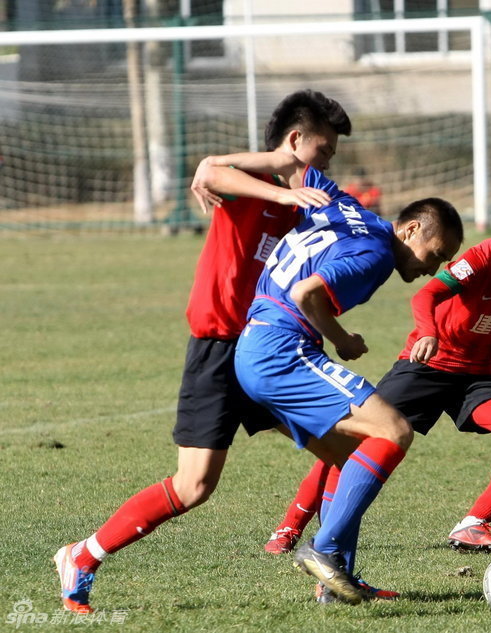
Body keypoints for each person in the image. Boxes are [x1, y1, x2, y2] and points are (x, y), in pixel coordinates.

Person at [53, 89, 353, 614]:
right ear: (295, 140)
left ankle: (332, 574)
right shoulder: (256, 187)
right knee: (193, 487)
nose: (326, 164)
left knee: (345, 452)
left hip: (267, 350)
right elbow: (211, 170)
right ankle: (83, 555)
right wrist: (283, 191)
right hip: (217, 349)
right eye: (322, 151)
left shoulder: (305, 202)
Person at [262, 190, 491, 577]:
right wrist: (428, 333)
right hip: (427, 366)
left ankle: (474, 523)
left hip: (478, 379)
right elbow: (427, 294)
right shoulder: (486, 255)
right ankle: (291, 526)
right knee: (356, 441)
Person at [234, 175, 463, 605]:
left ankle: (337, 585)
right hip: (281, 349)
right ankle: (323, 551)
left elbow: (298, 165)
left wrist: (226, 168)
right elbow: (307, 293)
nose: (433, 269)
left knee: (351, 455)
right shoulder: (376, 254)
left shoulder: (345, 206)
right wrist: (343, 340)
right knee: (393, 430)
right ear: (411, 229)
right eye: (437, 255)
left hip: (253, 345)